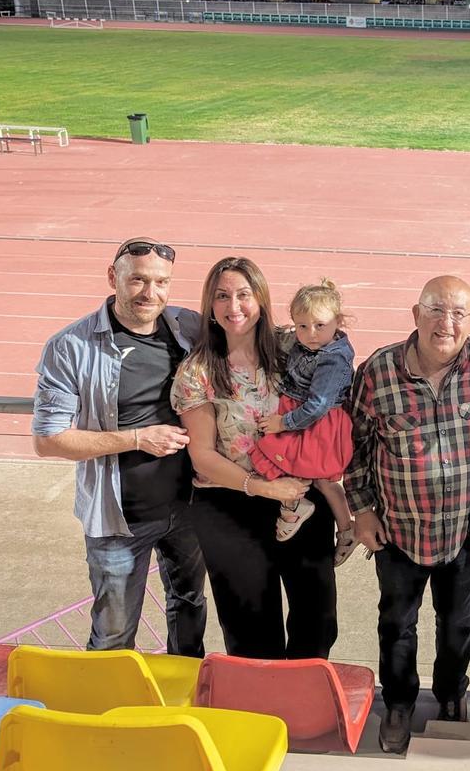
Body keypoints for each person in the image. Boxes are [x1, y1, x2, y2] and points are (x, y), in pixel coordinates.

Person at [345, 275, 470, 754]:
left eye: (459, 313)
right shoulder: (379, 371)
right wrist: (360, 511)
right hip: (398, 531)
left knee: (457, 622)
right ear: (416, 314)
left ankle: (449, 697)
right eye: (436, 310)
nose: (447, 322)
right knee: (397, 624)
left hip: (463, 531)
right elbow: (354, 447)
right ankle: (399, 704)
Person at [32, 237, 206, 656]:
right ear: (113, 278)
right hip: (118, 521)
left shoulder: (189, 328)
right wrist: (136, 438)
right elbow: (48, 440)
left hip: (189, 509)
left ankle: (178, 711)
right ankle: (105, 718)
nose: (151, 293)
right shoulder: (70, 347)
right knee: (113, 634)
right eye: (138, 281)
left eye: (161, 282)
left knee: (189, 609)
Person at [172, 256, 337, 659]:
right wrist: (263, 487)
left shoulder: (292, 348)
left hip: (301, 499)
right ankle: (261, 716)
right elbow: (203, 455)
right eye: (222, 297)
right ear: (209, 306)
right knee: (251, 631)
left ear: (261, 299)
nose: (234, 307)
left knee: (316, 621)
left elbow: (338, 351)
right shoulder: (198, 372)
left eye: (244, 295)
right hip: (232, 506)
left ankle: (305, 711)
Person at [250, 279, 357, 567]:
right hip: (304, 416)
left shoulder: (333, 359)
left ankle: (294, 506)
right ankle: (345, 527)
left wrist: (283, 423)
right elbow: (280, 338)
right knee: (322, 479)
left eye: (319, 325)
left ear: (338, 321)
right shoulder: (307, 342)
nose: (310, 334)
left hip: (312, 423)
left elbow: (319, 405)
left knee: (274, 456)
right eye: (302, 326)